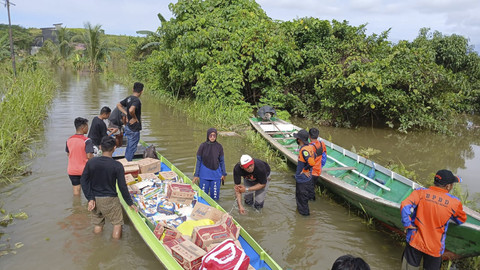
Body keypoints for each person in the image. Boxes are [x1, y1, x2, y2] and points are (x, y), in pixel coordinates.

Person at [400, 169, 467, 270]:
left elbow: (405, 205)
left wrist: (407, 223)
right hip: (435, 247)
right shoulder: (454, 202)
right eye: (452, 184)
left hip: (415, 241)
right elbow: (461, 219)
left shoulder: (420, 192)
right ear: (448, 186)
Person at [80, 136, 137, 239]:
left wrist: (90, 198)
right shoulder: (117, 165)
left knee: (98, 224)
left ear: (100, 147)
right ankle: (116, 248)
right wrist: (129, 202)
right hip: (110, 199)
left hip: (95, 199)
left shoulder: (91, 162)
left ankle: (97, 244)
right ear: (114, 148)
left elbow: (84, 181)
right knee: (117, 223)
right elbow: (122, 186)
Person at [192, 128, 227, 200]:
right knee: (203, 197)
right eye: (210, 135)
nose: (212, 137)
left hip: (216, 175)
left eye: (214, 135)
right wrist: (196, 175)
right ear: (208, 135)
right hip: (204, 174)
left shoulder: (219, 146)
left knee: (215, 197)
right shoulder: (202, 146)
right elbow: (198, 160)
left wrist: (224, 174)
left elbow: (222, 161)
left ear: (216, 136)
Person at [66, 117, 94, 196]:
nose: (88, 128)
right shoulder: (87, 140)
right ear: (83, 127)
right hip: (84, 170)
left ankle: (77, 206)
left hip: (72, 170)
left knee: (76, 191)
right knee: (89, 190)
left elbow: (68, 154)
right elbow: (89, 156)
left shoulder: (69, 140)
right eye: (87, 126)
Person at [117, 82, 144, 161]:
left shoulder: (129, 98)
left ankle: (126, 160)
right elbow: (131, 110)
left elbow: (118, 105)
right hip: (134, 128)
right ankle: (127, 163)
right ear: (142, 91)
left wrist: (127, 114)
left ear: (133, 89)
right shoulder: (137, 100)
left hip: (128, 126)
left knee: (129, 146)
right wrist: (134, 118)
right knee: (132, 148)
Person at [293, 129, 316, 216]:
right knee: (306, 197)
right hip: (308, 178)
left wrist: (305, 169)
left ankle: (304, 220)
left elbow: (311, 163)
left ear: (299, 140)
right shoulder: (310, 147)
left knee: (301, 201)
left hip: (302, 180)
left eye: (297, 138)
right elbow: (315, 157)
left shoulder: (304, 150)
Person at [308, 128, 327, 200]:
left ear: (309, 136)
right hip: (318, 170)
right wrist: (320, 166)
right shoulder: (322, 144)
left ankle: (312, 204)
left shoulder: (310, 147)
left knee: (309, 190)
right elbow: (324, 157)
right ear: (318, 135)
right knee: (312, 186)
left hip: (311, 172)